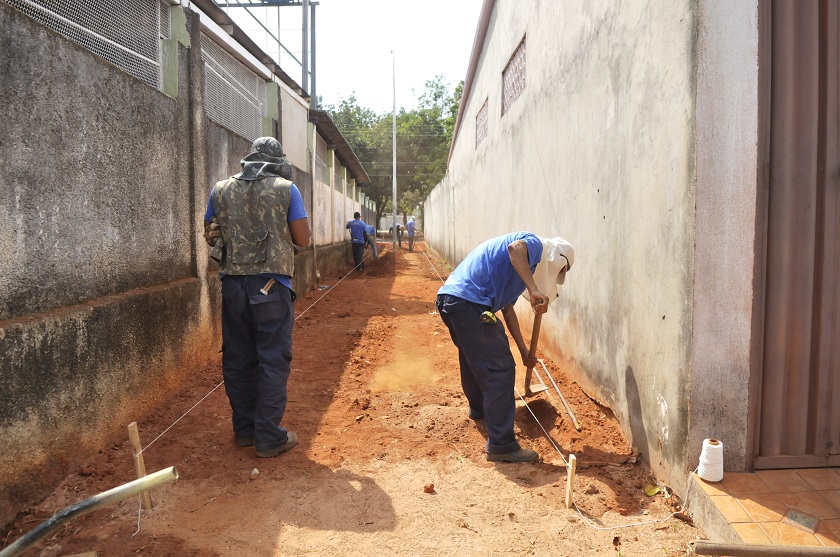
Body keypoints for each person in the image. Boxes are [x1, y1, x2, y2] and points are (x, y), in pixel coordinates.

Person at [203, 137, 311, 459]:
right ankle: (268, 436)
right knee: (272, 358)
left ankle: (245, 430)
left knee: (238, 357)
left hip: (233, 286)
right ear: (278, 161)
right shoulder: (286, 188)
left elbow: (210, 230)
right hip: (271, 286)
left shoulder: (219, 189)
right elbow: (302, 240)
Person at [436, 232, 574, 463]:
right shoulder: (533, 244)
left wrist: (523, 352)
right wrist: (533, 290)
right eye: (558, 271)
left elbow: (508, 311)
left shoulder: (516, 272)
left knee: (473, 359)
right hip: (470, 303)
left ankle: (479, 410)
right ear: (558, 259)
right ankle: (502, 445)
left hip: (453, 302)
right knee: (500, 370)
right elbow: (515, 249)